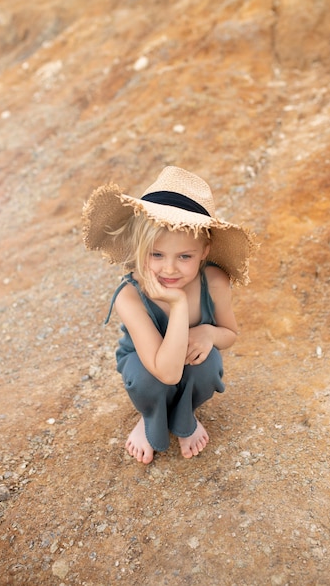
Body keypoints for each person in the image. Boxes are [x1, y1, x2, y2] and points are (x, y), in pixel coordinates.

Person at [82, 166, 257, 464]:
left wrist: (210, 333)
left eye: (185, 256)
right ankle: (150, 416)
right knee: (147, 380)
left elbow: (230, 334)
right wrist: (177, 305)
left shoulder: (214, 281)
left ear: (205, 251)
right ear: (139, 248)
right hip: (149, 363)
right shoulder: (130, 296)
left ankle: (184, 415)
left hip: (188, 358)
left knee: (208, 364)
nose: (169, 269)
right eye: (156, 254)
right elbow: (167, 372)